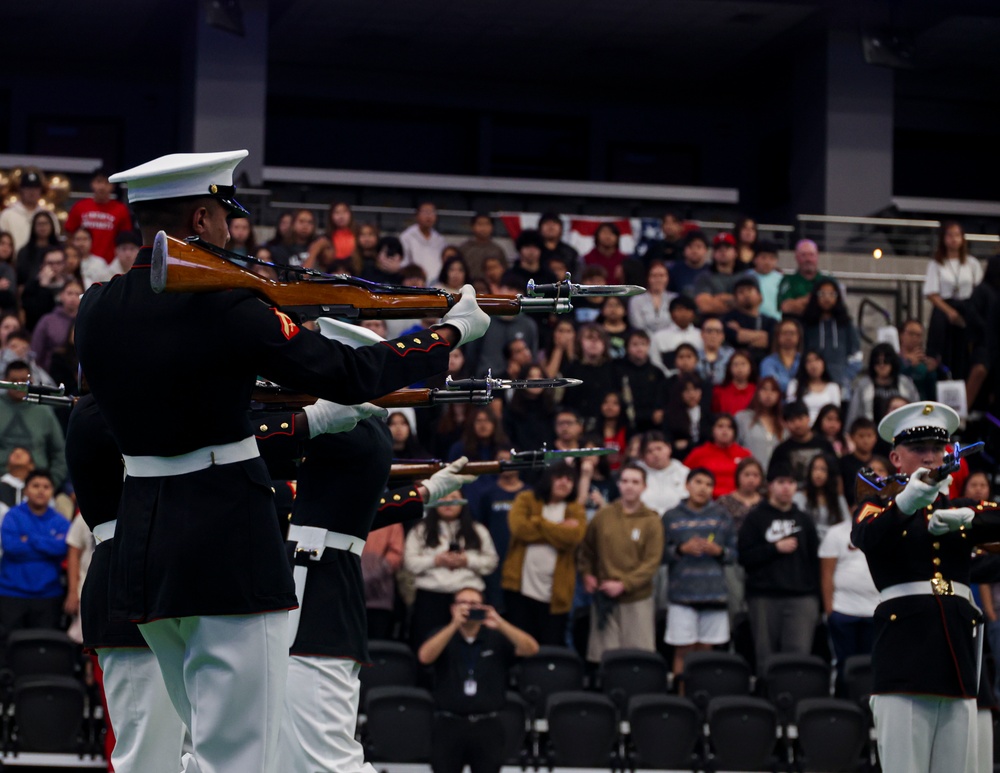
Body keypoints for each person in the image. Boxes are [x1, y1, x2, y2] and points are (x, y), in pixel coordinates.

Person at [73, 150, 489, 773]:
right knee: (241, 756)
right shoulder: (228, 307)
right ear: (202, 217)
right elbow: (352, 373)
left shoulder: (96, 308)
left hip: (142, 544)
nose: (231, 233)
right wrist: (447, 335)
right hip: (227, 540)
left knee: (174, 756)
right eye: (224, 218)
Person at [852, 400, 1000, 773]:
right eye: (919, 449)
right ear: (896, 458)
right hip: (905, 662)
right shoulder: (878, 506)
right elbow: (866, 535)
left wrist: (968, 518)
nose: (931, 457)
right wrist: (907, 502)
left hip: (958, 661)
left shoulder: (962, 507)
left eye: (938, 448)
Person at [417, 586, 539, 773]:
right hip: (448, 724)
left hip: (487, 725)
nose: (468, 608)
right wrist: (453, 625)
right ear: (452, 608)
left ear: (483, 607)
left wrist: (500, 623)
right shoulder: (442, 634)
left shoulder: (496, 638)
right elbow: (425, 657)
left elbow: (531, 649)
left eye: (474, 603)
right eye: (462, 603)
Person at [738, 462, 821, 674]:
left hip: (802, 597)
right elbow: (744, 557)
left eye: (791, 483)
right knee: (766, 657)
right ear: (770, 486)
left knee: (798, 657)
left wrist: (816, 597)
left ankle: (795, 704)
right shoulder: (755, 518)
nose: (786, 487)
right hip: (764, 596)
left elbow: (815, 560)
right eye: (781, 482)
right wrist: (774, 548)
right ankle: (766, 704)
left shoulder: (804, 519)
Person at [578, 463, 663, 663]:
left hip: (637, 598)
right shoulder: (603, 515)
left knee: (638, 660)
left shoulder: (652, 521)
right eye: (625, 481)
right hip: (604, 597)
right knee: (605, 659)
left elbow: (651, 563)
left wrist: (624, 584)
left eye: (635, 482)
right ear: (618, 484)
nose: (629, 486)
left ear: (644, 487)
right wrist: (587, 573)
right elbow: (587, 550)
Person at [663, 467, 737, 680]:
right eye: (698, 482)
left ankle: (703, 701)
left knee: (706, 653)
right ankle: (681, 701)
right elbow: (659, 555)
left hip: (713, 594)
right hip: (681, 595)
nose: (703, 488)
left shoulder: (722, 516)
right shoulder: (671, 516)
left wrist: (719, 551)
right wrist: (680, 549)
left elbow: (734, 554)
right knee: (682, 651)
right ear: (687, 485)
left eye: (708, 484)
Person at [501, 461, 587, 645]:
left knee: (551, 645)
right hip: (521, 588)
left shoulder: (575, 508)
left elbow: (573, 537)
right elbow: (519, 529)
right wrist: (558, 529)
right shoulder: (526, 498)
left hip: (556, 592)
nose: (564, 482)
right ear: (548, 478)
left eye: (569, 479)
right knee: (521, 643)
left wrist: (538, 522)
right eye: (559, 477)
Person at [404, 492, 499, 648]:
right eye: (443, 498)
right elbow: (409, 562)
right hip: (430, 597)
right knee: (426, 644)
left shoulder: (477, 530)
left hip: (468, 598)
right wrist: (436, 560)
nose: (448, 503)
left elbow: (491, 562)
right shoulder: (420, 529)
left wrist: (467, 560)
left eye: (453, 498)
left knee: (466, 646)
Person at [818, 498, 878, 695]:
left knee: (872, 665)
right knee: (844, 663)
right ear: (851, 507)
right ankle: (843, 705)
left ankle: (867, 709)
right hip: (843, 610)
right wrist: (830, 610)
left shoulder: (884, 531)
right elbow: (826, 573)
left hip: (875, 611)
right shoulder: (836, 533)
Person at [0, 469, 69, 636]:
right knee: (8, 649)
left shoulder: (60, 521)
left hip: (49, 595)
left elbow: (61, 549)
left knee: (44, 649)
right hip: (11, 594)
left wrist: (28, 538)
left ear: (52, 491)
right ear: (26, 490)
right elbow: (10, 547)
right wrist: (48, 543)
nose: (41, 490)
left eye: (46, 486)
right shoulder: (12, 516)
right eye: (35, 485)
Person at [923, 221, 982, 382]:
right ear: (943, 238)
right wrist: (950, 312)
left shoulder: (972, 263)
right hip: (945, 306)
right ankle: (934, 358)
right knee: (939, 320)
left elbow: (978, 290)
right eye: (950, 235)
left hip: (967, 305)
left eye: (957, 235)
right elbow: (932, 293)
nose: (954, 239)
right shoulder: (936, 263)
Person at [0, 360, 67, 489]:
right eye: (14, 381)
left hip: (39, 484)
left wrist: (51, 483)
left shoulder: (43, 410)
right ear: (5, 380)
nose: (19, 386)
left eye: (23, 381)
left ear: (32, 381)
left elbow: (60, 452)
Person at [801, 280, 862, 395]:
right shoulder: (807, 325)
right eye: (822, 294)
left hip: (841, 383)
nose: (827, 298)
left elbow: (857, 354)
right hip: (812, 382)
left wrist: (846, 376)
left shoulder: (846, 324)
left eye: (831, 294)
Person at [64, 167, 133, 262]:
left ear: (113, 186)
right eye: (98, 182)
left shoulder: (121, 210)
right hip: (81, 263)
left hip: (110, 264)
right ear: (92, 184)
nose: (102, 187)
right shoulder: (79, 207)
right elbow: (69, 235)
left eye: (107, 183)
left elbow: (125, 240)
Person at [845, 342, 920, 430]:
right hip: (871, 436)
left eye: (886, 361)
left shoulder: (906, 383)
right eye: (877, 362)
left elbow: (916, 411)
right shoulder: (863, 385)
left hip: (902, 432)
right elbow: (854, 413)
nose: (882, 365)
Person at [681, 414, 752, 499]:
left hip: (737, 501)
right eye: (720, 426)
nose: (725, 431)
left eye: (729, 427)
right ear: (712, 430)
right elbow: (682, 475)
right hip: (706, 501)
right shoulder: (699, 453)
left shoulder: (744, 454)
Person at [768, 400, 836, 486]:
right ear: (785, 423)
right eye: (792, 420)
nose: (797, 424)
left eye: (800, 418)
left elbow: (836, 474)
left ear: (808, 418)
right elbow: (772, 480)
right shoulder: (781, 450)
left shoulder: (824, 445)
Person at [613, 329, 667, 434]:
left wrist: (659, 411)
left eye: (643, 344)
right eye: (635, 344)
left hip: (652, 421)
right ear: (627, 347)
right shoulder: (617, 369)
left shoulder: (657, 372)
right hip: (626, 420)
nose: (639, 348)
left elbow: (663, 396)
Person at [0, 169, 60, 252]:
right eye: (28, 188)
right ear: (21, 190)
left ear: (40, 191)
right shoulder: (7, 215)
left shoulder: (49, 216)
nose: (32, 192)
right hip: (14, 262)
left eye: (35, 188)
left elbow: (54, 242)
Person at [792, 452, 848, 541]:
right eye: (815, 469)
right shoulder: (799, 497)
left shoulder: (838, 499)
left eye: (823, 469)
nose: (818, 474)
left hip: (833, 545)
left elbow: (847, 526)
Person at [734, 376, 784, 470]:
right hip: (749, 475)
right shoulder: (742, 418)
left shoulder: (784, 423)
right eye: (764, 389)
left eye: (773, 390)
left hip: (776, 479)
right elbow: (734, 449)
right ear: (757, 392)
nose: (768, 394)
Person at [723, 275, 774, 363]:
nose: (746, 295)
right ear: (735, 299)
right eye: (741, 292)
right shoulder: (729, 318)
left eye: (750, 290)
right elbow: (735, 337)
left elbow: (771, 340)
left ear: (760, 296)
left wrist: (741, 331)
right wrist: (762, 335)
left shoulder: (770, 321)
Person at [637, 430, 690, 515]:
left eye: (659, 448)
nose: (655, 454)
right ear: (643, 456)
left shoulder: (684, 473)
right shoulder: (636, 474)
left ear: (669, 448)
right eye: (649, 451)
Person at [777, 239, 830, 319]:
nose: (808, 259)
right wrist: (816, 300)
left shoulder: (828, 280)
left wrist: (799, 302)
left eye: (811, 255)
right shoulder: (788, 281)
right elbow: (785, 307)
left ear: (817, 256)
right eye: (803, 255)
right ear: (796, 257)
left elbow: (834, 308)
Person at [649, 295, 702, 374]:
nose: (684, 313)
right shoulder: (659, 337)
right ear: (671, 313)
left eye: (687, 309)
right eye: (679, 309)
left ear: (693, 314)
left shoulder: (701, 335)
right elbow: (655, 362)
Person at [786, 350, 842, 425]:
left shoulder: (833, 387)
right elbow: (791, 411)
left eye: (817, 360)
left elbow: (835, 414)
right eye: (809, 361)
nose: (813, 365)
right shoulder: (794, 385)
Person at [694, 232, 740, 316]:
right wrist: (733, 300)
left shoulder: (745, 276)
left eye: (727, 248)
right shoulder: (704, 277)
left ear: (736, 252)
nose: (723, 251)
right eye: (719, 249)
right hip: (710, 323)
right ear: (713, 254)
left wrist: (717, 298)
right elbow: (704, 306)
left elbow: (747, 304)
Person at [401, 202, 449, 281]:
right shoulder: (406, 237)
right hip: (415, 281)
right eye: (425, 212)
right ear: (417, 216)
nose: (429, 216)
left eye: (432, 212)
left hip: (437, 282)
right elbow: (404, 263)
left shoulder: (440, 239)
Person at [627, 261, 676, 337]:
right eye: (654, 276)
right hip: (644, 341)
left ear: (667, 278)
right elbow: (637, 326)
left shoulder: (675, 299)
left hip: (670, 340)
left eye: (661, 276)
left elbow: (675, 325)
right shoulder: (636, 300)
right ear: (648, 278)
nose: (658, 279)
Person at [840, 417, 879, 508]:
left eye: (869, 436)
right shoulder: (843, 463)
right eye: (861, 436)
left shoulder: (880, 462)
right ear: (852, 437)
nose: (865, 441)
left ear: (875, 438)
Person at [898, 318, 939, 402]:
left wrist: (931, 372)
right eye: (911, 334)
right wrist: (909, 365)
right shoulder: (895, 359)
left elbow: (931, 394)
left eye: (918, 335)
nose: (915, 338)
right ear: (901, 335)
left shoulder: (923, 363)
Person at [759, 318, 803, 394]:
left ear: (798, 336)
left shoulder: (805, 361)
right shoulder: (768, 362)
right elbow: (772, 385)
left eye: (792, 333)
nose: (788, 336)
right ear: (778, 336)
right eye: (785, 333)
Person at [458, 213, 507, 281]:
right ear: (472, 227)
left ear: (492, 227)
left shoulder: (497, 250)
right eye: (480, 224)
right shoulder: (464, 248)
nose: (483, 228)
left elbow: (504, 272)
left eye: (487, 224)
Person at [712, 350, 757, 416]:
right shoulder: (719, 391)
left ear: (751, 367)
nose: (739, 368)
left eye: (743, 364)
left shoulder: (757, 391)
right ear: (730, 368)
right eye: (735, 364)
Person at [538, 212, 582, 278]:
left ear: (561, 228)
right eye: (547, 223)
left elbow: (577, 275)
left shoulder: (570, 253)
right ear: (540, 228)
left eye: (554, 223)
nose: (551, 227)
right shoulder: (535, 251)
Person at [669, 231, 711, 298]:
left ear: (706, 250)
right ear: (684, 249)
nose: (694, 250)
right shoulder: (674, 270)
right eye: (690, 246)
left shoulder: (712, 271)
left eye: (699, 246)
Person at [696, 317, 734, 386]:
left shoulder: (731, 355)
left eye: (717, 331)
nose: (713, 335)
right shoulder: (694, 355)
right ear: (702, 334)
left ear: (723, 336)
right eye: (709, 331)